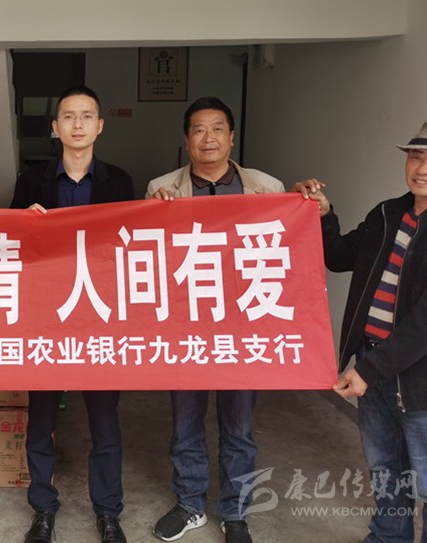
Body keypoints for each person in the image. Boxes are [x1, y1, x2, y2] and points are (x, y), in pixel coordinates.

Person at [294, 120, 427, 543]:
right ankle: (387, 537)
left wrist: (370, 369)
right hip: (373, 364)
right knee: (386, 471)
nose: (423, 169)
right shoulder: (388, 214)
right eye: (416, 157)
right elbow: (340, 256)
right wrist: (323, 215)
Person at [146, 96, 284, 543]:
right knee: (185, 423)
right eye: (199, 130)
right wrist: (154, 211)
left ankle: (235, 513)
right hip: (186, 327)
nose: (209, 138)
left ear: (232, 137)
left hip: (243, 327)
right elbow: (144, 255)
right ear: (186, 140)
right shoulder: (160, 188)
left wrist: (315, 207)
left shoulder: (266, 187)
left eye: (218, 128)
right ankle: (190, 504)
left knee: (239, 427)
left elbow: (290, 250)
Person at [10, 84, 135, 543]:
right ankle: (43, 509)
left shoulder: (119, 181)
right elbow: (10, 245)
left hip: (100, 319)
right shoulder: (31, 181)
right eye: (68, 116)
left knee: (105, 424)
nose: (77, 124)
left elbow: (131, 243)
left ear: (99, 126)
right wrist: (25, 224)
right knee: (41, 422)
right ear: (55, 126)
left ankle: (108, 512)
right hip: (47, 319)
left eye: (86, 116)